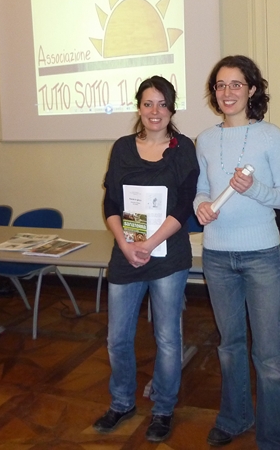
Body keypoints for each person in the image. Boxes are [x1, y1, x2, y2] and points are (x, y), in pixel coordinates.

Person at [194, 56, 280, 449]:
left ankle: (275, 439)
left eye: (236, 84)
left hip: (261, 257)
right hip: (217, 256)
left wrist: (253, 189)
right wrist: (199, 205)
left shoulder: (270, 135)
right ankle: (235, 417)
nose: (227, 92)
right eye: (221, 85)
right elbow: (203, 189)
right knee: (229, 345)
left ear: (252, 90)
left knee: (269, 355)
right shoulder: (204, 139)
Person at [94, 76, 199, 443]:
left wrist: (150, 242)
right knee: (117, 339)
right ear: (139, 107)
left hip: (168, 255)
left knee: (168, 338)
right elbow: (111, 203)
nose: (155, 112)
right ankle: (122, 402)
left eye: (162, 104)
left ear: (172, 108)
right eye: (148, 104)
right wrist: (125, 244)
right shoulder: (122, 147)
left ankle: (163, 409)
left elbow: (185, 204)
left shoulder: (184, 147)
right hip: (127, 254)